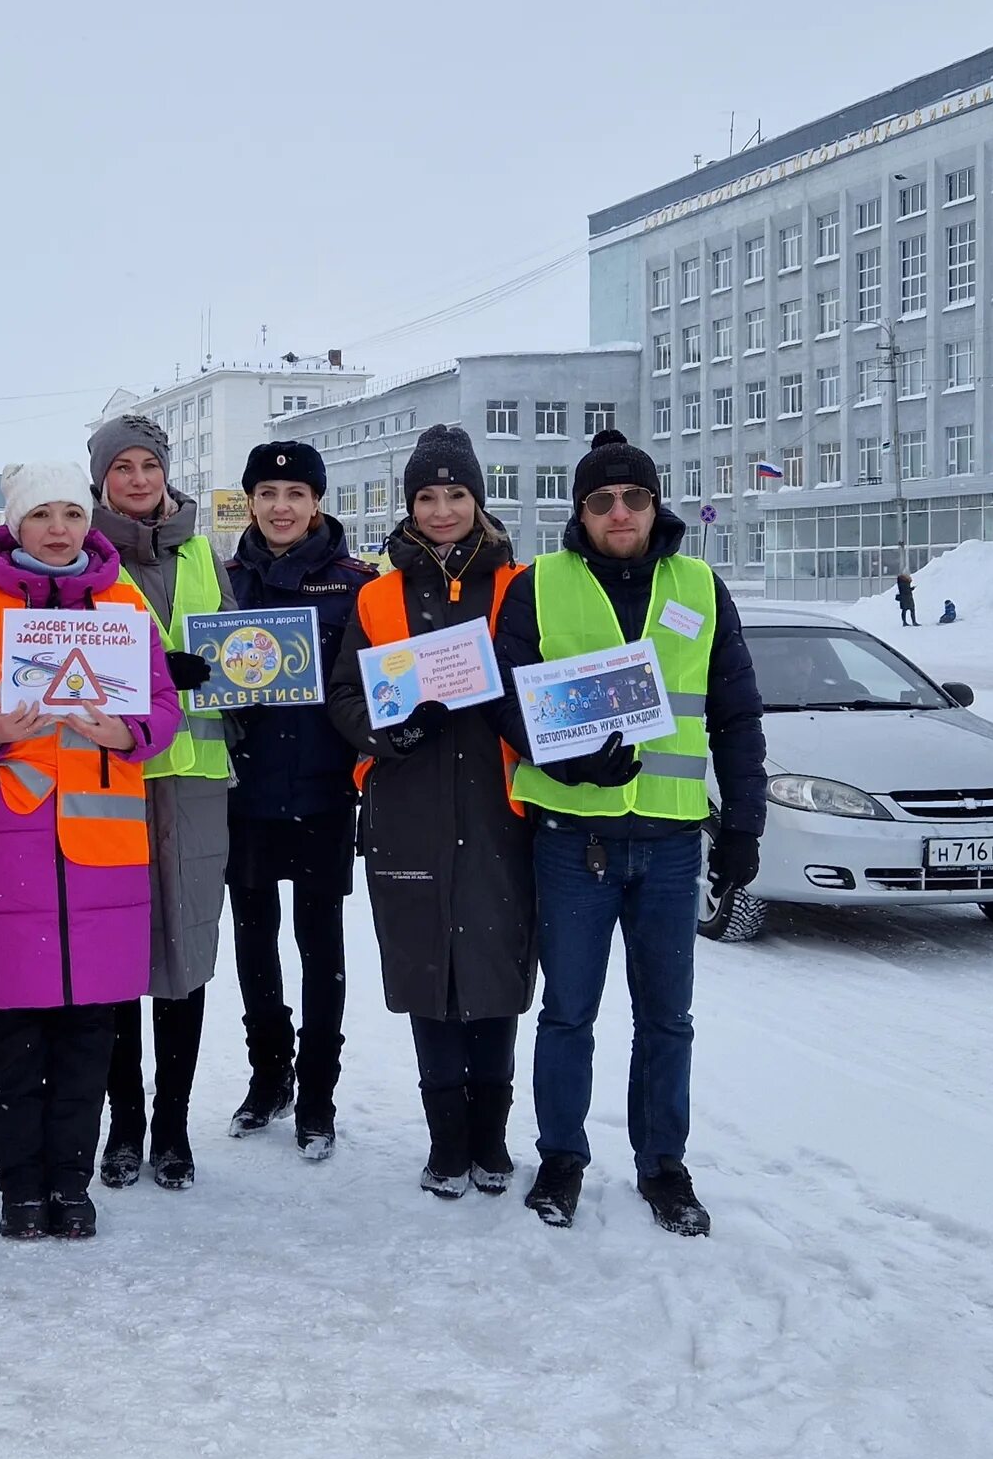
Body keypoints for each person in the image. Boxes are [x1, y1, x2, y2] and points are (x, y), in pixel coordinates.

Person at [489, 429, 766, 1237]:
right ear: (581, 510)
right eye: (603, 499)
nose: (620, 511)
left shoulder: (701, 586)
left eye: (635, 497)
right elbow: (507, 702)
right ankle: (562, 1159)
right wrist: (571, 767)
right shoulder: (539, 585)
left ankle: (663, 1166)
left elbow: (737, 715)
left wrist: (743, 824)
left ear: (655, 504)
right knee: (569, 1011)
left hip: (674, 844)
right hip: (574, 839)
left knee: (668, 1018)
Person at [0, 463, 181, 1239]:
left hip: (102, 853)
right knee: (13, 1036)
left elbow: (164, 703)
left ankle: (72, 1181)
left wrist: (131, 732)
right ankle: (19, 1187)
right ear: (14, 523)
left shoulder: (122, 605)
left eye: (74, 511)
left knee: (87, 1038)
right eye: (44, 513)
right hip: (6, 850)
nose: (61, 527)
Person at [327, 426, 537, 1200]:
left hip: (498, 809)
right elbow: (345, 694)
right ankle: (447, 1142)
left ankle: (492, 1137)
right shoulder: (378, 596)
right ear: (409, 505)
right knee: (427, 974)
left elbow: (545, 685)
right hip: (408, 804)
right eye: (427, 495)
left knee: (497, 971)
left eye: (455, 493)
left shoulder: (521, 586)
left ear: (477, 500)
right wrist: (391, 731)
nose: (442, 508)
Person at [86, 415, 231, 1190]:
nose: (139, 480)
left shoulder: (208, 553)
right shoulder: (84, 559)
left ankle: (171, 1125)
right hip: (112, 784)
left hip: (197, 782)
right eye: (123, 468)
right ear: (101, 478)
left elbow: (251, 661)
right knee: (117, 955)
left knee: (186, 954)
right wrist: (151, 676)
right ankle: (125, 1121)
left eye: (150, 465)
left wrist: (233, 679)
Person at [219, 440, 372, 1158]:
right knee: (254, 942)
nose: (281, 507)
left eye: (296, 494)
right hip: (243, 792)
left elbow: (371, 685)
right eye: (268, 493)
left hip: (321, 793)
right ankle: (268, 1072)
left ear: (316, 502)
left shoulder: (354, 584)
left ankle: (317, 1091)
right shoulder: (223, 582)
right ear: (249, 501)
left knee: (321, 947)